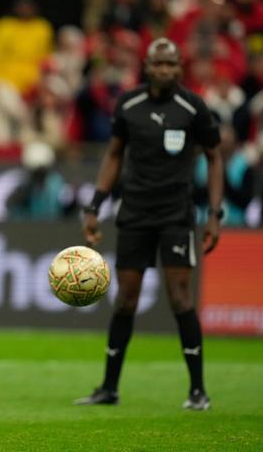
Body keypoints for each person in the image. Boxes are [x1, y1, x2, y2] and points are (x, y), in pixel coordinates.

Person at [77, 38, 223, 411]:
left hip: (175, 213)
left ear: (179, 69)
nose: (166, 71)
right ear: (147, 66)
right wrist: (95, 205)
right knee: (125, 299)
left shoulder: (192, 107)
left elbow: (214, 156)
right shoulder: (129, 104)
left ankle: (198, 390)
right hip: (136, 212)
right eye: (160, 65)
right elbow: (113, 155)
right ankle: (109, 387)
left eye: (172, 65)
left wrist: (214, 214)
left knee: (179, 297)